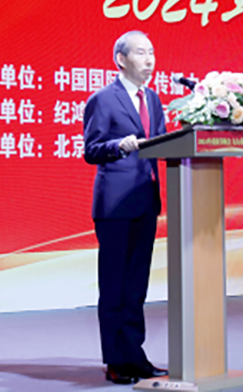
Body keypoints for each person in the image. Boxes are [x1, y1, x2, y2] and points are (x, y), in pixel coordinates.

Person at [83, 30, 168, 384]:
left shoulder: (154, 99)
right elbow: (91, 150)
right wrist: (120, 145)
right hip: (115, 206)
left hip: (145, 201)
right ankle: (115, 360)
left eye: (152, 53)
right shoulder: (103, 99)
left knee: (136, 287)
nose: (149, 60)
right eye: (141, 53)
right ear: (121, 59)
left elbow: (161, 143)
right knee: (114, 286)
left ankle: (136, 356)